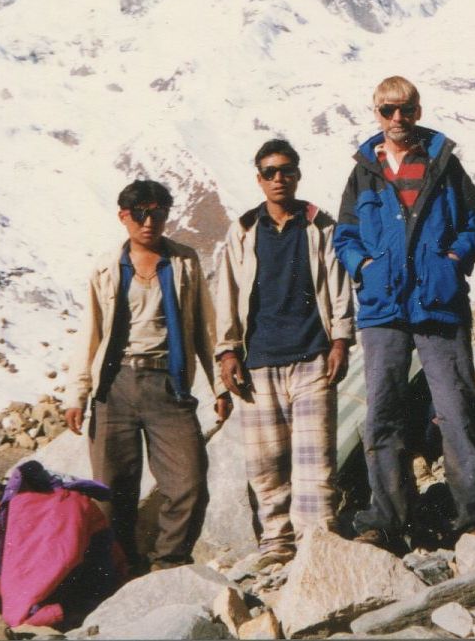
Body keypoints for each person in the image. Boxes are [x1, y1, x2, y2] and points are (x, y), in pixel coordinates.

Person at [334, 75, 475, 553]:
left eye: (406, 109)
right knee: (383, 413)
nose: (398, 119)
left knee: (456, 410)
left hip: (438, 303)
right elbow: (345, 234)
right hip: (383, 308)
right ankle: (387, 518)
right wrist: (364, 267)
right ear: (376, 113)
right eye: (388, 111)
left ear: (419, 110)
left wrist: (452, 262)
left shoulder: (443, 163)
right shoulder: (364, 171)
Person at [63, 179, 231, 573]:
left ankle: (168, 563)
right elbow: (89, 333)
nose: (148, 221)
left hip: (167, 385)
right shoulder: (106, 267)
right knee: (111, 491)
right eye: (139, 213)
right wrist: (77, 394)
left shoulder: (185, 262)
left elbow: (205, 328)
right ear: (124, 216)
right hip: (115, 386)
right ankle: (121, 567)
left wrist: (220, 384)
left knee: (187, 482)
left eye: (157, 212)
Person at [214, 139, 355, 569]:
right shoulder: (242, 229)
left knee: (315, 459)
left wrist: (341, 340)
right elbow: (228, 292)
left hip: (312, 355)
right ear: (259, 179)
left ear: (297, 174)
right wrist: (226, 351)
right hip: (259, 360)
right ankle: (276, 541)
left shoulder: (319, 226)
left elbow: (338, 286)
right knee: (266, 461)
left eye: (286, 170)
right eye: (270, 172)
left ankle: (317, 541)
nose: (279, 178)